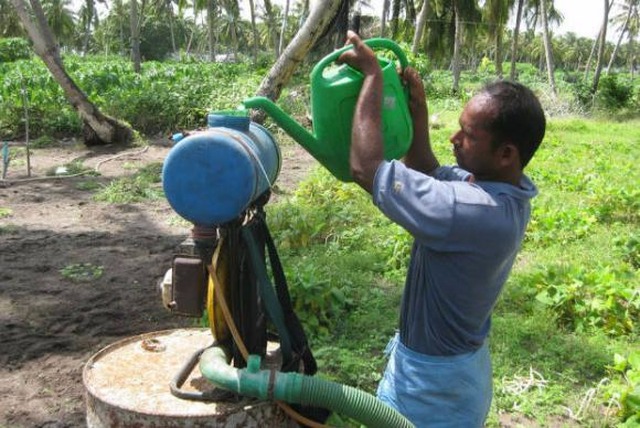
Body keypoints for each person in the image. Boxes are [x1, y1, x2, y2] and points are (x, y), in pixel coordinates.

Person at [337, 31, 546, 427]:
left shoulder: (470, 209)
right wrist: (418, 110)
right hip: (457, 370)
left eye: (467, 135)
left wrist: (372, 81)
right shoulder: (504, 191)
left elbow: (367, 169)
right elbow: (427, 170)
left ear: (506, 153)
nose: (454, 139)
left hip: (432, 386)